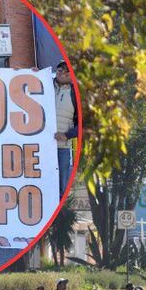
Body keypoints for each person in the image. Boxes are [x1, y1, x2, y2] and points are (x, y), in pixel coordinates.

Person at [53, 61, 79, 197]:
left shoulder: (76, 93)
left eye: (66, 71)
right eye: (59, 70)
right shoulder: (44, 84)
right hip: (40, 146)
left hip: (62, 147)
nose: (62, 73)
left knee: (62, 186)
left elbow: (83, 124)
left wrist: (67, 135)